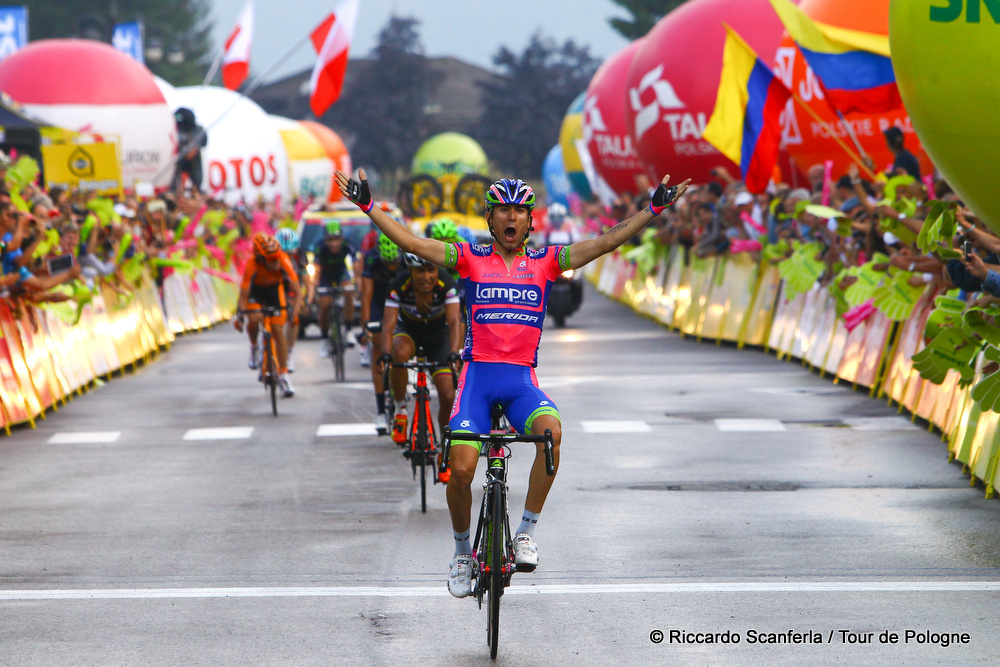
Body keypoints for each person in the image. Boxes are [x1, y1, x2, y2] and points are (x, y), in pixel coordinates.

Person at [335, 168, 689, 598]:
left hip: (521, 381)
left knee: (552, 434)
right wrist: (369, 206)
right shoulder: (469, 258)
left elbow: (604, 242)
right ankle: (463, 553)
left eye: (519, 210)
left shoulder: (545, 262)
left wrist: (652, 209)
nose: (511, 217)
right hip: (477, 380)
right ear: (490, 217)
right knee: (461, 471)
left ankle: (524, 533)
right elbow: (412, 243)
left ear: (528, 220)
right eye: (503, 209)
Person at [378, 252, 464, 446]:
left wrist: (454, 353)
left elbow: (454, 321)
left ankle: (446, 445)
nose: (426, 277)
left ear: (438, 269)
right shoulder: (399, 285)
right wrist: (385, 353)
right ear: (410, 271)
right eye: (420, 271)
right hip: (409, 332)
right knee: (398, 354)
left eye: (431, 270)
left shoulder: (447, 284)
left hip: (438, 337)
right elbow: (389, 324)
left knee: (448, 394)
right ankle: (400, 410)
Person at [235, 232, 300, 398]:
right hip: (256, 293)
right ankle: (254, 346)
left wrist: (295, 312)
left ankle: (284, 375)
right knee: (255, 317)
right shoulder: (252, 265)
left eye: (278, 258)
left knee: (278, 330)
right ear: (261, 259)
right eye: (272, 260)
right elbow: (243, 295)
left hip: (274, 291)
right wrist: (241, 316)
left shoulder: (283, 260)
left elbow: (297, 292)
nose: (277, 262)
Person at [361, 233, 404, 434]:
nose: (392, 267)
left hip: (402, 301)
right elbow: (367, 295)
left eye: (394, 262)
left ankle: (398, 395)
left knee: (399, 347)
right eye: (388, 263)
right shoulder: (371, 259)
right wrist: (365, 327)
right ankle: (380, 411)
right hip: (379, 301)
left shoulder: (405, 257)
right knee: (378, 348)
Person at [311, 220, 356, 359]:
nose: (334, 243)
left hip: (341, 273)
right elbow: (316, 271)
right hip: (325, 276)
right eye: (330, 239)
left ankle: (348, 329)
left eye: (337, 239)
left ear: (342, 238)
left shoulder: (347, 245)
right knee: (325, 304)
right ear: (325, 239)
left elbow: (357, 265)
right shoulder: (320, 248)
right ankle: (324, 337)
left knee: (348, 292)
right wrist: (314, 290)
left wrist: (358, 283)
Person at [275, 227, 305, 372]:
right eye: (283, 254)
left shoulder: (300, 256)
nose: (287, 258)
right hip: (275, 286)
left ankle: (289, 353)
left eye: (290, 254)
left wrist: (307, 299)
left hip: (293, 287)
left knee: (294, 318)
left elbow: (307, 283)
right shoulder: (270, 256)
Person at [170, 107, 207, 194]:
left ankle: (197, 190)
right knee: (174, 180)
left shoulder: (197, 130)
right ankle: (174, 191)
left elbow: (204, 141)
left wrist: (194, 148)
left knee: (197, 177)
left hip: (193, 159)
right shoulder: (173, 129)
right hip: (178, 158)